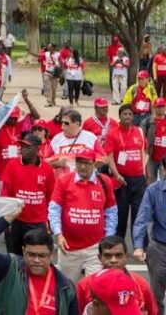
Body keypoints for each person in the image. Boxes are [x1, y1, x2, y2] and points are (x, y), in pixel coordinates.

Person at [0, 207, 79, 314]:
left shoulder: (66, 288)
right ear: (23, 251)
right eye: (31, 255)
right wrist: (6, 219)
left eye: (42, 256)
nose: (36, 260)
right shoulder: (9, 270)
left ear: (51, 255)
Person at [48, 147, 117, 283]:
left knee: (96, 287)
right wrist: (58, 234)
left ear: (94, 163)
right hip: (69, 247)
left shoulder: (104, 182)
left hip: (95, 247)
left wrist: (108, 238)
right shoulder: (64, 181)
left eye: (86, 163)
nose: (82, 167)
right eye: (79, 162)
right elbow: (54, 209)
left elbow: (111, 211)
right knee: (67, 289)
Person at [0, 134, 56, 256]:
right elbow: (5, 192)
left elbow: (51, 196)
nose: (23, 150)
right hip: (16, 219)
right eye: (22, 146)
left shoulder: (47, 169)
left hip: (38, 222)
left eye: (27, 147)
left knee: (35, 255)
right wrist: (6, 217)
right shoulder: (12, 165)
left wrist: (50, 221)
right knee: (14, 256)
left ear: (37, 149)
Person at [75, 236, 157, 314]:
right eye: (107, 256)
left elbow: (152, 311)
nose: (113, 260)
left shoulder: (140, 284)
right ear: (99, 258)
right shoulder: (85, 285)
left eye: (118, 255)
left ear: (126, 257)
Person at [105, 105, 147, 247]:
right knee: (121, 215)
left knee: (139, 215)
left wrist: (145, 174)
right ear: (120, 116)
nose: (128, 116)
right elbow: (109, 156)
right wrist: (116, 175)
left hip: (139, 180)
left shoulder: (139, 132)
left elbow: (144, 152)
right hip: (121, 180)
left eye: (130, 114)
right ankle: (119, 245)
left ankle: (140, 245)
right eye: (125, 114)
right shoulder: (112, 133)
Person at [133, 156, 166, 313]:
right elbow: (141, 220)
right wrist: (138, 246)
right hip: (159, 249)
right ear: (164, 171)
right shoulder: (153, 191)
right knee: (156, 297)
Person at [48, 109, 104, 177]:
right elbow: (44, 163)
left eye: (66, 123)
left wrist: (87, 166)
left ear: (77, 123)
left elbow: (104, 159)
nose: (62, 125)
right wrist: (57, 163)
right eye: (61, 122)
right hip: (63, 183)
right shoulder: (56, 139)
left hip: (86, 181)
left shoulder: (90, 137)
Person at [141, 98, 166, 184]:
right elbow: (140, 138)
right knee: (150, 183)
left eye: (163, 106)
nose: (161, 109)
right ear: (154, 108)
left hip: (164, 159)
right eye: (159, 107)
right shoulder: (147, 122)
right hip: (151, 158)